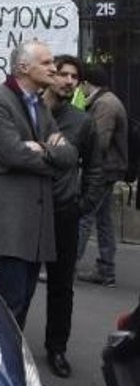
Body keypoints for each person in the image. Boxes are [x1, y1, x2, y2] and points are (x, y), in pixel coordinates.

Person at [0, 40, 77, 329]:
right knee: (7, 305)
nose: (53, 68)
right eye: (46, 62)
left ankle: (11, 363)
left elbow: (70, 155)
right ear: (22, 67)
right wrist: (50, 154)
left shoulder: (40, 106)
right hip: (8, 222)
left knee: (22, 303)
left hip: (36, 226)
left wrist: (42, 149)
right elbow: (13, 154)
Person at [40, 55, 104, 378]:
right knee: (15, 280)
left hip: (64, 212)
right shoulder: (28, 111)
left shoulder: (83, 122)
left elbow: (96, 168)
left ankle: (57, 348)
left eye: (74, 77)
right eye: (62, 74)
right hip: (25, 211)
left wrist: (83, 204)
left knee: (61, 286)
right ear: (50, 77)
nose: (67, 81)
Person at [77, 65, 128, 287]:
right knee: (103, 219)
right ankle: (106, 269)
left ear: (87, 83)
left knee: (84, 217)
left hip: (103, 170)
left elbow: (99, 142)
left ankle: (66, 265)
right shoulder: (107, 101)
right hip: (110, 168)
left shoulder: (105, 104)